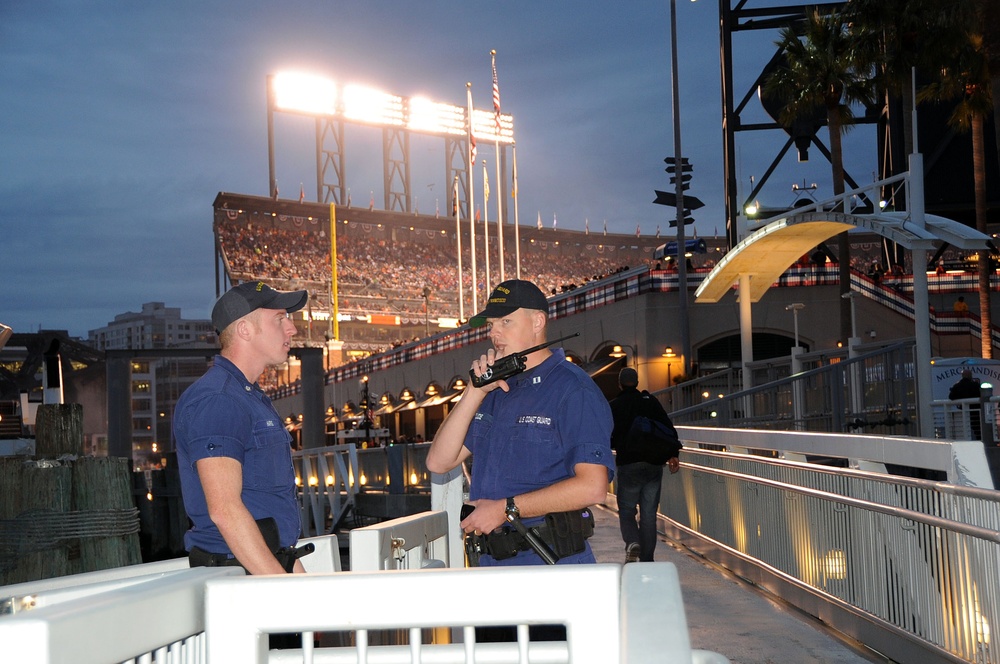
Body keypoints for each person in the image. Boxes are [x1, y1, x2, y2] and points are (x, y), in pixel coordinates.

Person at [426, 279, 615, 567]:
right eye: (491, 325)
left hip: (549, 564)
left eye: (506, 321)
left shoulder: (572, 388)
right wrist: (474, 391)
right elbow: (439, 462)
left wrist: (507, 509)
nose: (494, 333)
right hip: (491, 565)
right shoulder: (495, 390)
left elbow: (593, 486)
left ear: (538, 321)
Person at [174, 280, 310, 575]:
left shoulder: (246, 397)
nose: (292, 329)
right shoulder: (218, 400)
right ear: (245, 330)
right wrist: (286, 592)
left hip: (260, 566)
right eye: (280, 318)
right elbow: (225, 511)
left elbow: (265, 512)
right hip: (240, 575)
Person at [609, 367, 679, 563]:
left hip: (629, 464)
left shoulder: (615, 406)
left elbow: (608, 436)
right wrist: (673, 454)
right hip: (653, 465)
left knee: (627, 509)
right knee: (649, 515)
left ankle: (632, 542)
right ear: (638, 382)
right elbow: (668, 429)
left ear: (620, 384)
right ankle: (647, 559)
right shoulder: (650, 402)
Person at [949, 369, 983, 440]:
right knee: (977, 428)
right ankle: (979, 440)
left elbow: (951, 396)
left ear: (962, 376)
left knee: (964, 427)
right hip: (975, 410)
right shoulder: (975, 385)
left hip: (963, 411)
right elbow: (981, 395)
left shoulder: (957, 386)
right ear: (970, 375)